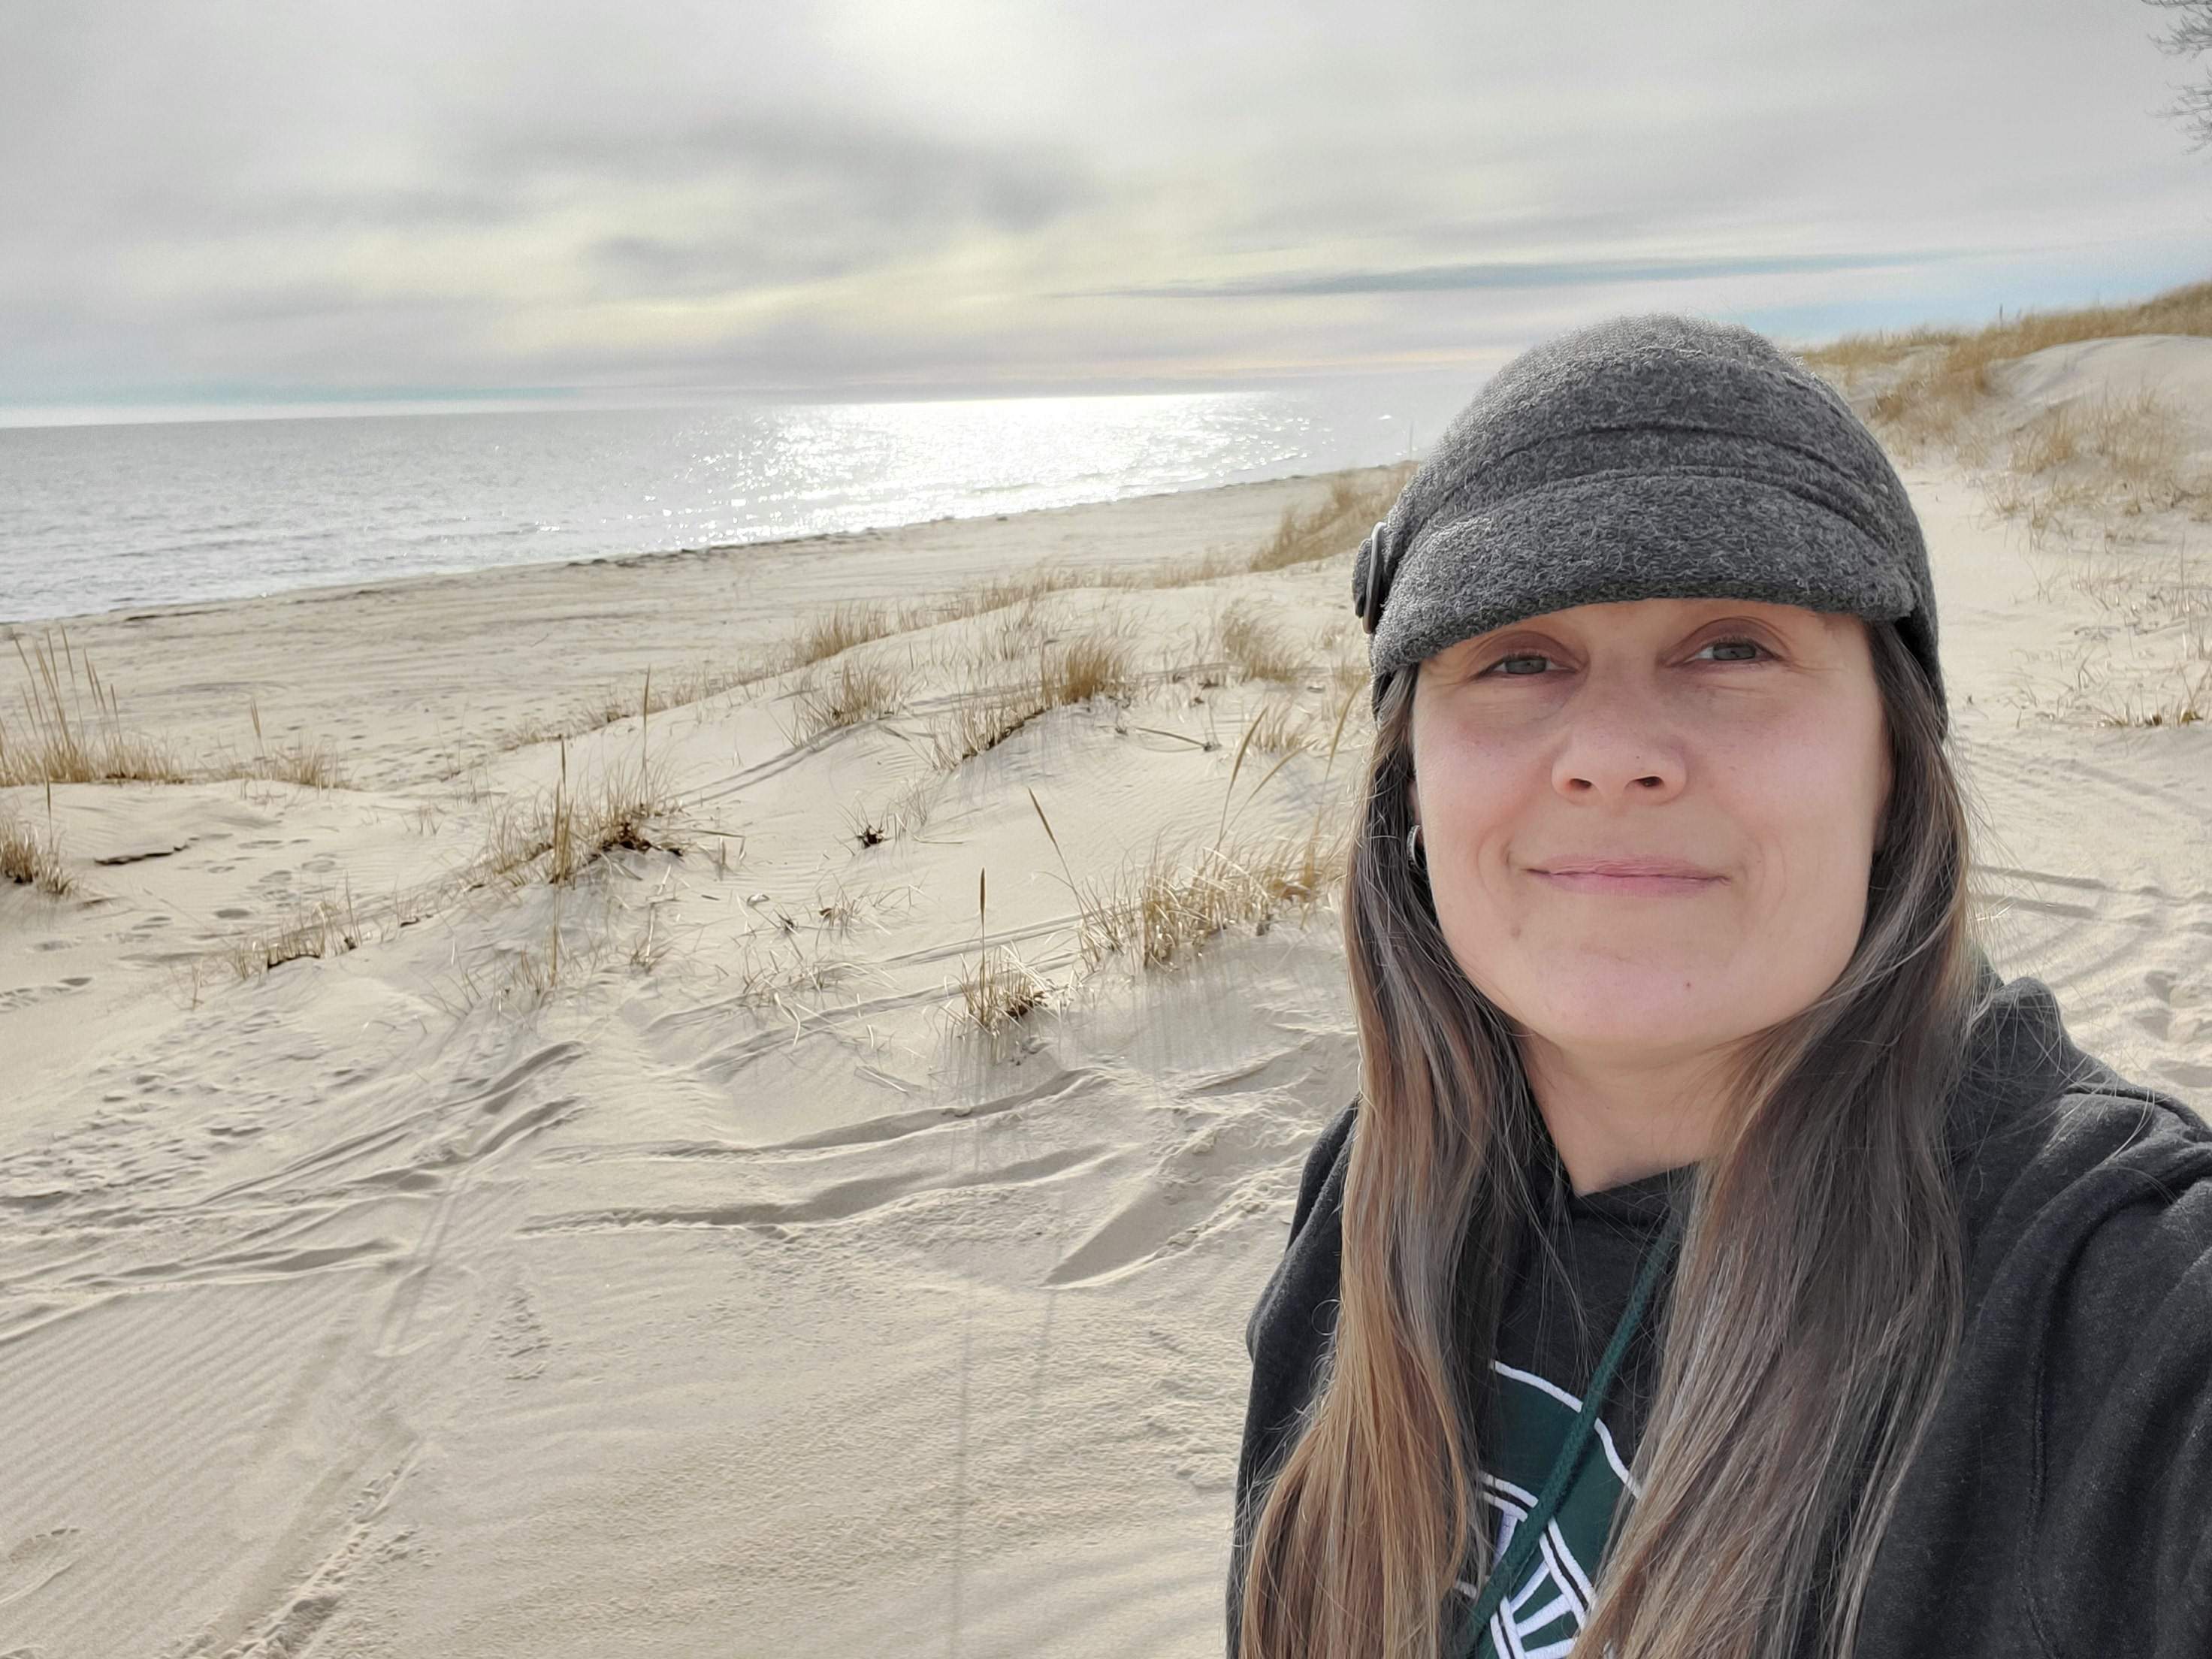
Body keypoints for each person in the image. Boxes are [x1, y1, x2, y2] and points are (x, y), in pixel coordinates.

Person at [1225, 314, 2212, 1659]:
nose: (1613, 752)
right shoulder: (1372, 1196)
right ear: (1411, 782)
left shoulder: (2109, 1301)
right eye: (1517, 657)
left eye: (1732, 646)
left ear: (1892, 763)